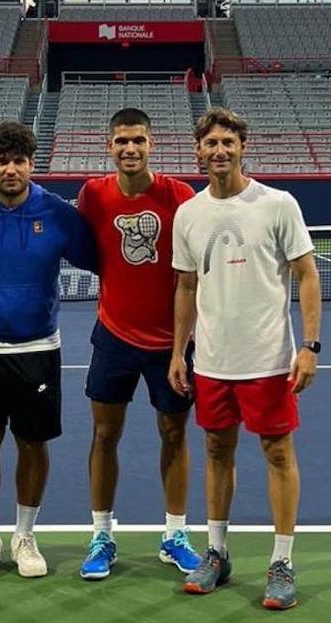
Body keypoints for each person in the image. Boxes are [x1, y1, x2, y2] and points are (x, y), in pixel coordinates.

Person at [168, 108, 322, 611]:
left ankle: (282, 562)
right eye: (210, 142)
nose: (219, 150)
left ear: (242, 148)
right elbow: (187, 286)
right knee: (216, 452)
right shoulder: (189, 214)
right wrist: (179, 352)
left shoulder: (277, 205)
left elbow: (306, 276)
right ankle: (216, 553)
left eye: (227, 142)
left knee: (278, 454)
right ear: (198, 151)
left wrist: (310, 345)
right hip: (212, 362)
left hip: (270, 361)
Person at [0, 121, 96, 579]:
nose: (11, 169)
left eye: (19, 160)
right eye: (2, 160)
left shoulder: (59, 215)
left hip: (39, 347)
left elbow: (106, 258)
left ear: (31, 164)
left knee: (33, 442)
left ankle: (25, 535)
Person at [75, 108, 200, 581]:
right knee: (105, 436)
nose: (130, 148)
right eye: (122, 141)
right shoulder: (93, 195)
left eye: (139, 141)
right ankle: (102, 535)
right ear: (109, 145)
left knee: (174, 434)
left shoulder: (180, 196)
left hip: (172, 344)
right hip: (113, 338)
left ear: (152, 144)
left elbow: (193, 273)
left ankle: (175, 535)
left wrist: (182, 346)